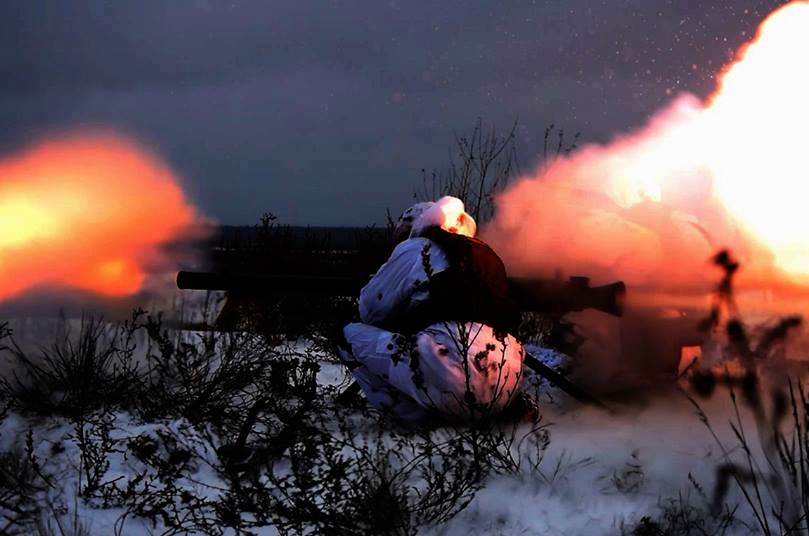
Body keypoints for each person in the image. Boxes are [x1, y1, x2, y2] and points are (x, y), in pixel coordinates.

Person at [339, 196, 525, 421]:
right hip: (506, 385)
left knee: (346, 335)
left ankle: (416, 419)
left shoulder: (417, 248)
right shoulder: (485, 254)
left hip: (448, 378)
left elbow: (370, 310)